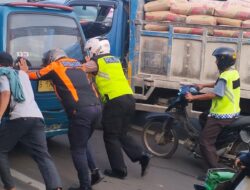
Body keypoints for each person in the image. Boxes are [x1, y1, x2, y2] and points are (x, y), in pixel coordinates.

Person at [20, 49, 102, 190]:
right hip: (96, 108)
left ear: (52, 58)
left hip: (81, 111)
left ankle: (85, 186)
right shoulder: (78, 64)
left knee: (78, 150)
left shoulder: (55, 66)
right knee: (83, 143)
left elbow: (35, 75)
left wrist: (24, 70)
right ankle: (95, 172)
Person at [83, 36, 150, 179]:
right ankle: (141, 155)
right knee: (121, 133)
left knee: (110, 136)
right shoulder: (114, 59)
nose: (87, 54)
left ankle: (119, 170)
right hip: (129, 99)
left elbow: (80, 69)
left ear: (95, 49)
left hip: (115, 102)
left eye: (88, 51)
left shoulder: (97, 62)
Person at [0, 52, 62, 190]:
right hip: (37, 117)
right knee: (43, 156)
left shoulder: (4, 74)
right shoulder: (22, 74)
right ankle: (56, 187)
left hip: (19, 117)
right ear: (11, 64)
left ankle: (10, 187)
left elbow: (5, 94)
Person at [185, 47, 241, 169]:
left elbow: (215, 94)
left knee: (204, 142)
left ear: (223, 60)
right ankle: (215, 147)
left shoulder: (225, 76)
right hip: (232, 111)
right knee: (203, 116)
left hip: (222, 115)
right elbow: (220, 84)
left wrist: (193, 98)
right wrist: (203, 84)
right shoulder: (233, 73)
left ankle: (214, 170)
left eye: (217, 59)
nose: (215, 62)